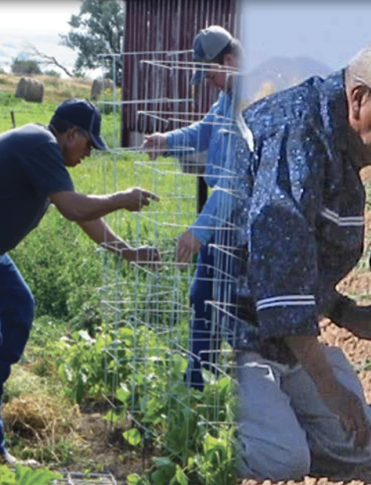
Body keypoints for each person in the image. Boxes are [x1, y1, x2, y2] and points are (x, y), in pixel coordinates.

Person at [227, 33, 371, 480]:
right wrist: (327, 384)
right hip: (228, 334)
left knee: (363, 446)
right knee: (282, 461)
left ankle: (274, 419)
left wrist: (349, 314)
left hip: (277, 342)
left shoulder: (340, 148)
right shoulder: (294, 135)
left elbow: (304, 268)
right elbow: (280, 277)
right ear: (359, 98)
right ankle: (189, 420)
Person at [0, 98, 161, 465]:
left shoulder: (43, 149)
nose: (89, 154)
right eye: (89, 144)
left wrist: (127, 251)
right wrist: (120, 198)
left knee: (19, 308)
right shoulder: (41, 144)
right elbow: (74, 209)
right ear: (72, 133)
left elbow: (84, 217)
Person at [139, 25, 247, 390]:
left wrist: (198, 232)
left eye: (212, 72)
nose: (211, 82)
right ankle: (199, 382)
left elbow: (233, 183)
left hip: (238, 225)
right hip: (220, 217)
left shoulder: (250, 103)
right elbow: (205, 130)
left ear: (230, 61)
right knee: (203, 297)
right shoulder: (228, 98)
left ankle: (244, 388)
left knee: (234, 309)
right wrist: (166, 140)